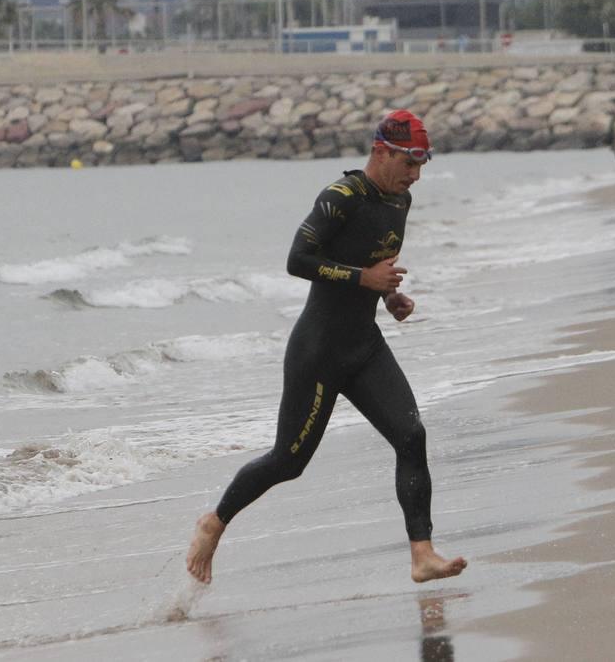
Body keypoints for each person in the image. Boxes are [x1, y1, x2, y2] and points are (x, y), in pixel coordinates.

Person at [185, 110, 467, 586]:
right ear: (381, 151)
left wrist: (388, 295)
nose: (415, 175)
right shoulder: (342, 197)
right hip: (318, 351)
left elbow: (373, 262)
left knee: (411, 436)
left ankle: (422, 555)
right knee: (287, 462)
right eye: (409, 162)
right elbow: (298, 259)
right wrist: (365, 279)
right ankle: (214, 522)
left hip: (365, 345)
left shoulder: (400, 200)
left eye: (422, 165)